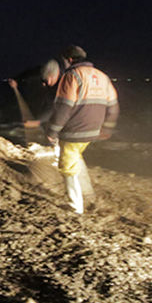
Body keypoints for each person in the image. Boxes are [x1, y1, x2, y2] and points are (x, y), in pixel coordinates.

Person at [41, 45, 119, 215]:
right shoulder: (103, 76)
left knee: (67, 167)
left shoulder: (71, 76)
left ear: (69, 60)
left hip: (74, 131)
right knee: (76, 157)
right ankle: (87, 194)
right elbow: (113, 107)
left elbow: (64, 108)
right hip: (93, 131)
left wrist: (52, 132)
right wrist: (107, 128)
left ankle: (75, 206)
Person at [8, 59, 61, 129]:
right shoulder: (41, 71)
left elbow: (53, 107)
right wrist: (17, 80)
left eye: (47, 80)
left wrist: (37, 122)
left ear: (55, 75)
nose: (45, 83)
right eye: (43, 80)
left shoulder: (62, 84)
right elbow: (31, 72)